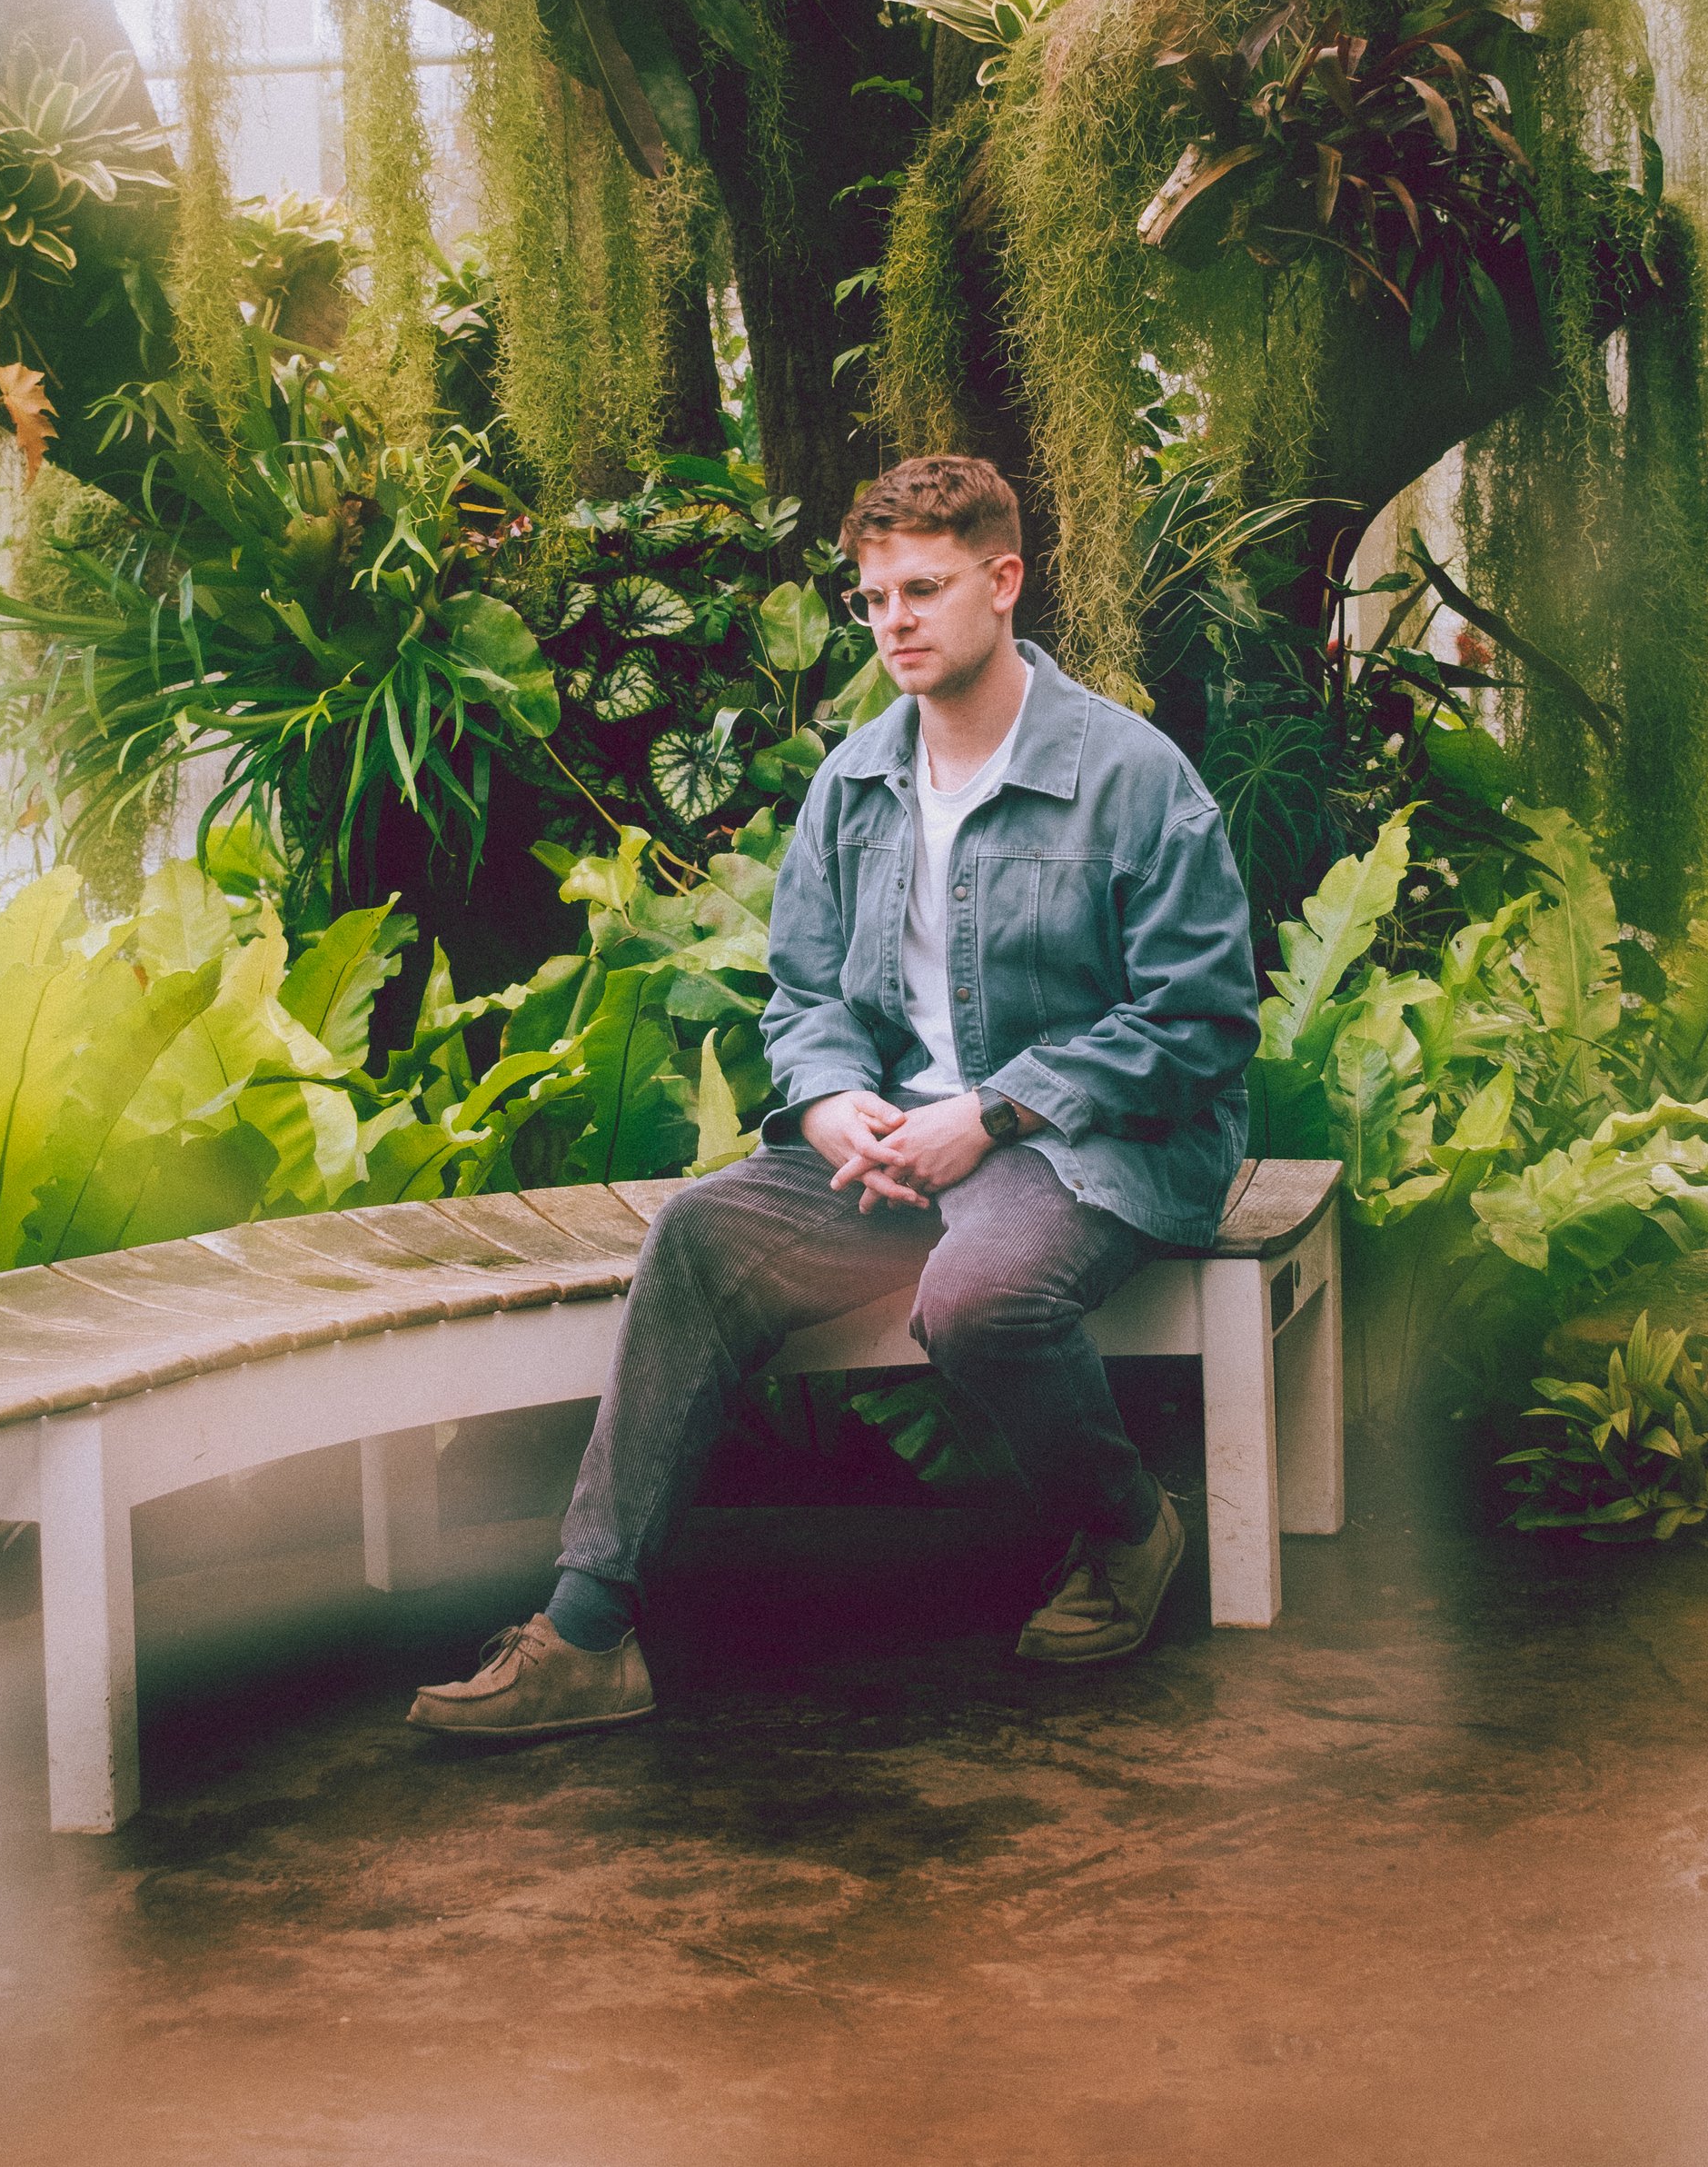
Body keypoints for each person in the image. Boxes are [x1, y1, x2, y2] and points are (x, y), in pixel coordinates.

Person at [408, 453, 1260, 1744]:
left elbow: (1202, 1023)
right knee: (696, 1236)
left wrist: (996, 1110)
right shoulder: (852, 782)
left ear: (1004, 581)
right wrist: (827, 1103)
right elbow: (804, 996)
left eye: (924, 587)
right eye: (873, 597)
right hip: (896, 1138)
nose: (895, 620)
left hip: (1086, 1144)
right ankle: (587, 1632)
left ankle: (1128, 1526)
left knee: (976, 1296)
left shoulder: (1129, 776)